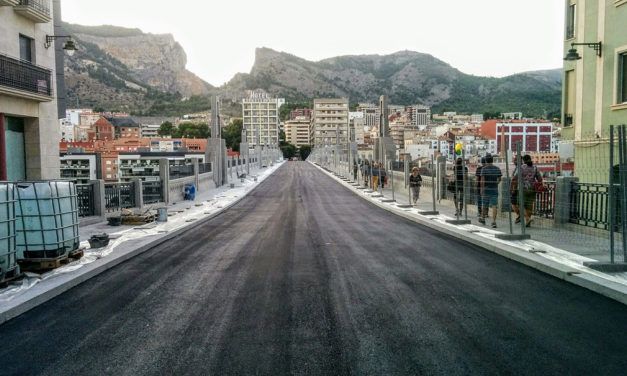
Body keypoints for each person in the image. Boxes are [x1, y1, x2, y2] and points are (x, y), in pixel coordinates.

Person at [479, 154, 502, 228]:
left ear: (486, 160)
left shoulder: (484, 169)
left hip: (486, 189)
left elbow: (482, 181)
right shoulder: (497, 168)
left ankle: (482, 218)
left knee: (484, 204)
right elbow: (499, 179)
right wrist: (495, 183)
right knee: (494, 206)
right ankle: (494, 222)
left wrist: (481, 190)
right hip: (494, 189)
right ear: (492, 160)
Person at [520, 154, 542, 227]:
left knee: (520, 205)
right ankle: (527, 221)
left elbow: (516, 177)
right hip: (532, 189)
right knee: (529, 206)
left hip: (523, 189)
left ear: (523, 160)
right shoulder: (535, 167)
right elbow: (539, 179)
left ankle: (527, 218)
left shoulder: (521, 167)